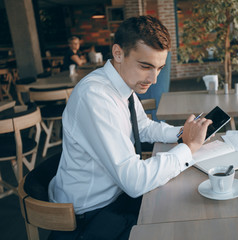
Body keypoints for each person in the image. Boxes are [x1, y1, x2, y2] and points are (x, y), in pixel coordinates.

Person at [48, 15, 212, 240]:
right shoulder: (95, 96)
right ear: (118, 53)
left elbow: (143, 127)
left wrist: (185, 133)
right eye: (145, 66)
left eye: (159, 68)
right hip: (89, 217)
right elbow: (134, 181)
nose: (154, 79)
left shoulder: (122, 85)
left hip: (116, 199)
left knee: (188, 209)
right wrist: (188, 149)